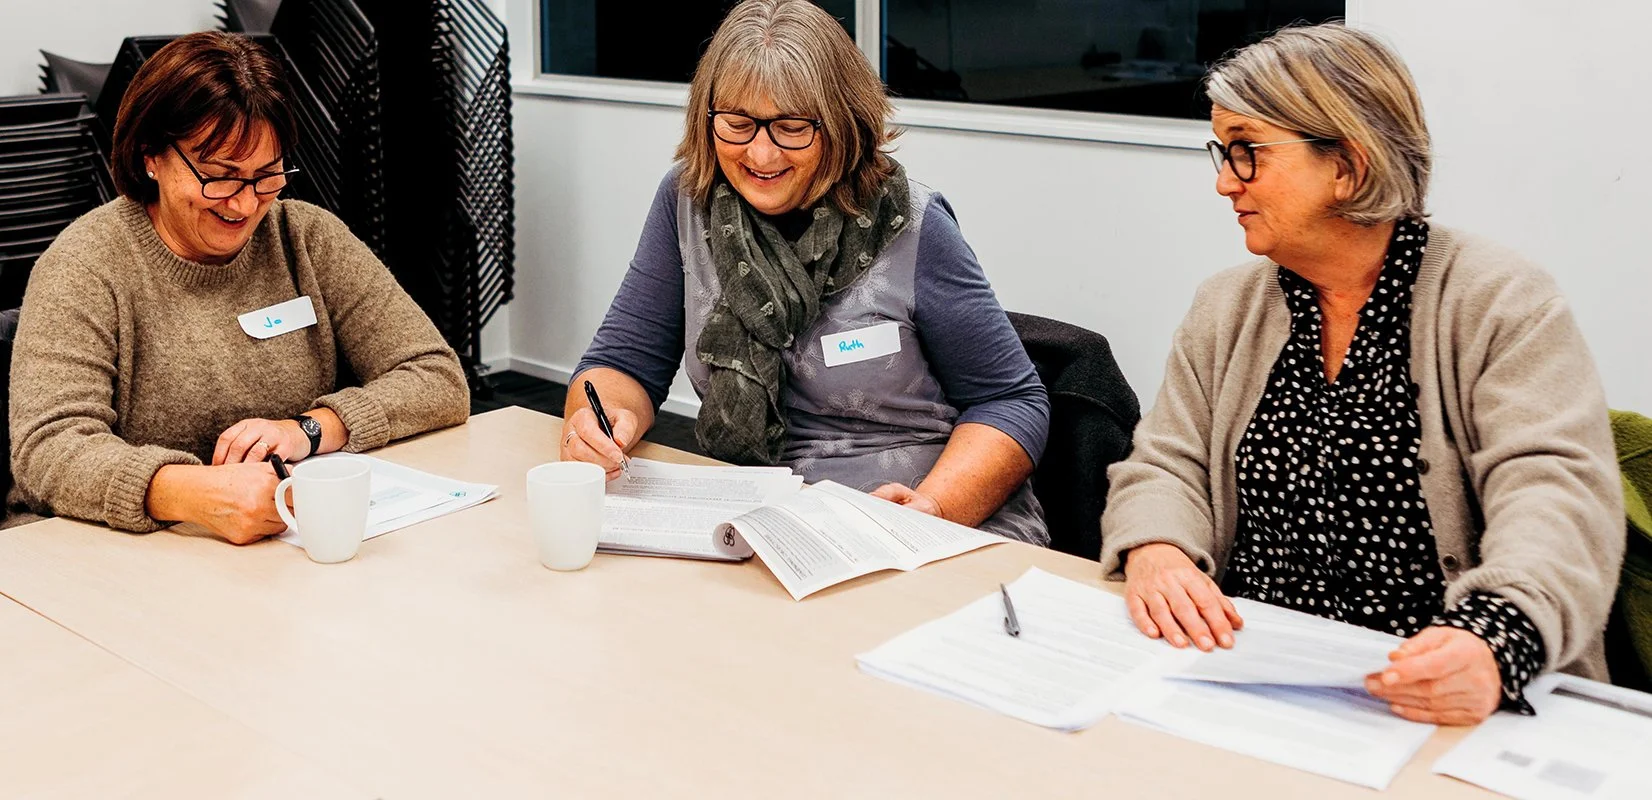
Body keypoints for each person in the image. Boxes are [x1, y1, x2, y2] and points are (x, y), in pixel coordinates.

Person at [1101, 23, 1623, 725]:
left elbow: (1557, 499)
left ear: (1347, 164)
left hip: (1436, 692)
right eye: (1220, 153)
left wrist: (1495, 639)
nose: (1225, 182)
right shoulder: (1227, 306)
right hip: (1251, 677)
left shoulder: (1501, 302)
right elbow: (1165, 463)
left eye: (1247, 152)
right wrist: (1157, 548)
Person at [562, 0, 1050, 544]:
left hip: (915, 518)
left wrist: (931, 508)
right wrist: (598, 424)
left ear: (842, 125)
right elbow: (621, 363)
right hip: (763, 518)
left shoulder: (913, 223)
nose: (761, 153)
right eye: (738, 123)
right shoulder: (688, 201)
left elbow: (1012, 400)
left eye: (792, 127)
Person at [8, 32, 470, 543]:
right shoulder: (87, 265)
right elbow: (48, 448)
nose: (245, 206)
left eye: (266, 176)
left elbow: (436, 377)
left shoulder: (307, 238)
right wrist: (189, 492)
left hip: (278, 545)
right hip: (121, 553)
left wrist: (309, 429)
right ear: (151, 157)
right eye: (219, 176)